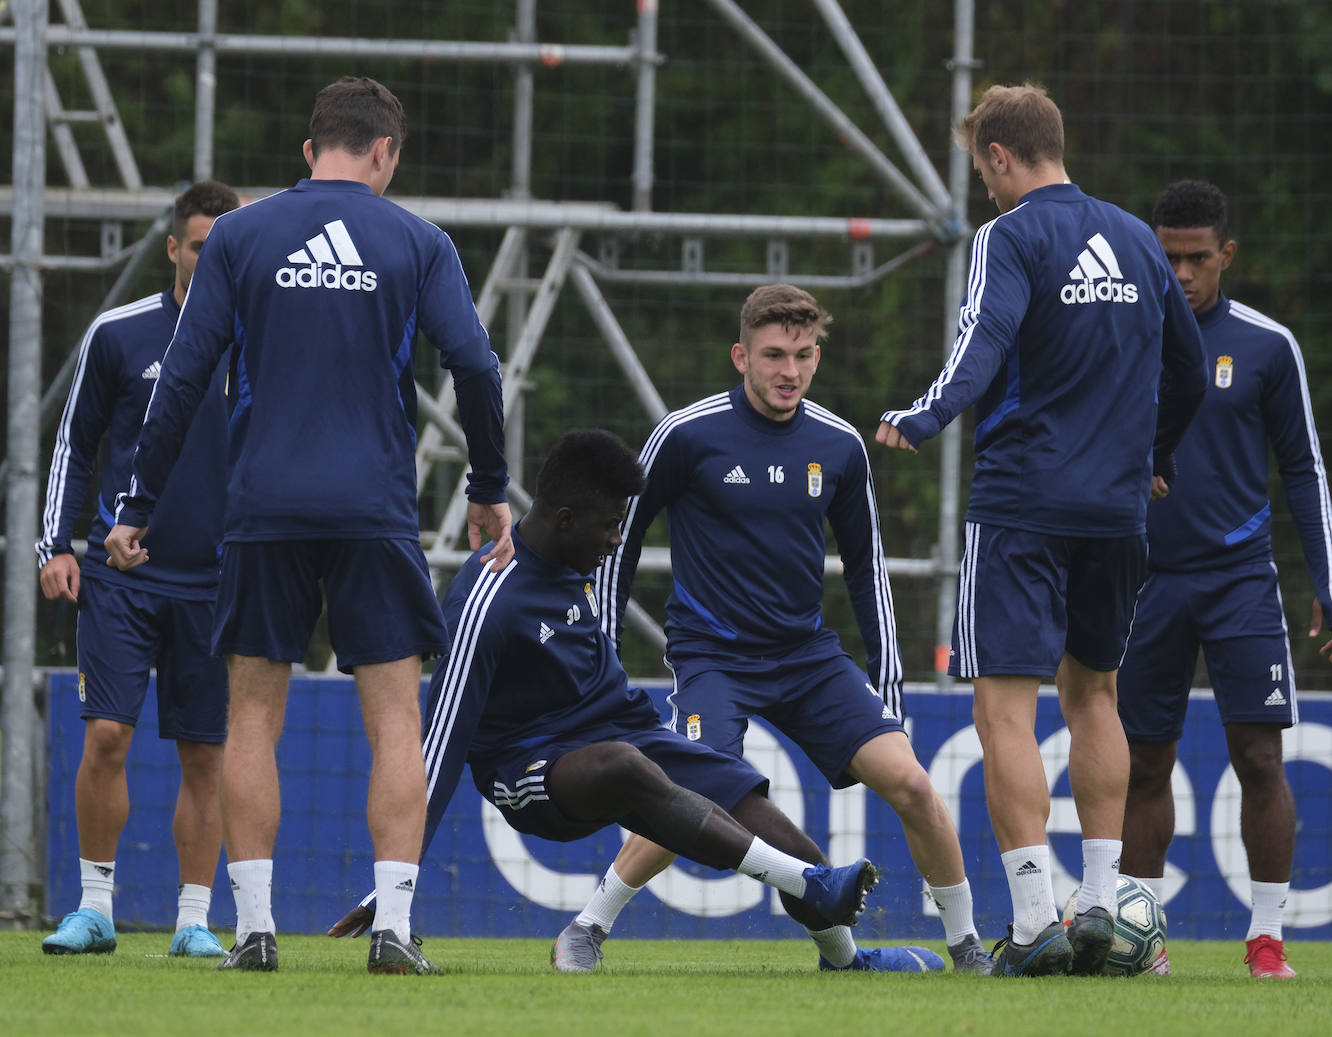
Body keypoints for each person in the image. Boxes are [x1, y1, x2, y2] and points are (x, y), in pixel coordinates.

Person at [104, 76, 513, 975]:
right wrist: (488, 482)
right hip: (373, 507)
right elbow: (478, 367)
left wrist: (139, 503)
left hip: (264, 509)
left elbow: (181, 380)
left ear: (308, 150)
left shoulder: (242, 235)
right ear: (384, 154)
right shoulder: (417, 239)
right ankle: (395, 931)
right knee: (394, 718)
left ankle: (254, 929)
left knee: (251, 712)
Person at [328, 429, 902, 968]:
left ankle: (846, 958)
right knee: (627, 766)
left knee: (785, 838)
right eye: (609, 526)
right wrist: (394, 881)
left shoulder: (573, 560)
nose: (617, 539)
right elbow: (439, 750)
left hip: (628, 736)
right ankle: (809, 885)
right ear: (565, 519)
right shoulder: (488, 598)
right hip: (532, 770)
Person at [548, 284, 993, 975]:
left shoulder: (840, 444)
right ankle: (584, 928)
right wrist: (598, 659)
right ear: (741, 356)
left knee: (912, 783)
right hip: (712, 659)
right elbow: (620, 544)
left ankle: (968, 949)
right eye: (775, 355)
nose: (791, 370)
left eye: (805, 355)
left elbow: (868, 573)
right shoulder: (685, 434)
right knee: (689, 795)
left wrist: (889, 687)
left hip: (808, 658)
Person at [874, 84, 1208, 976]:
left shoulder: (1010, 236)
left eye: (980, 164)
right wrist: (1153, 453)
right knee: (1095, 695)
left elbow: (983, 340)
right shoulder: (1139, 239)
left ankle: (1032, 922)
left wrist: (926, 414)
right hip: (1117, 512)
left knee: (1002, 709)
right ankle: (1098, 901)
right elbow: (1188, 372)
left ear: (998, 156)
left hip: (1023, 504)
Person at [1117, 179, 1332, 980]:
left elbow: (1305, 468)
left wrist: (1328, 578)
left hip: (1241, 576)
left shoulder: (1266, 345)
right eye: (1166, 257)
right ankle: (1143, 942)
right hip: (1143, 580)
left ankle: (1266, 939)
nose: (1181, 274)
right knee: (1144, 763)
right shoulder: (1122, 337)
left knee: (1258, 757)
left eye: (1196, 258)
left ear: (1226, 255)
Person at [36, 181, 242, 959]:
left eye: (223, 247)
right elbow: (74, 444)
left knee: (206, 753)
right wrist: (56, 542)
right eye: (197, 245)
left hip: (218, 583)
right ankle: (94, 908)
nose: (210, 258)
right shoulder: (119, 333)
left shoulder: (255, 344)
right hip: (121, 578)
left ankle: (193, 919)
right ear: (173, 248)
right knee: (109, 738)